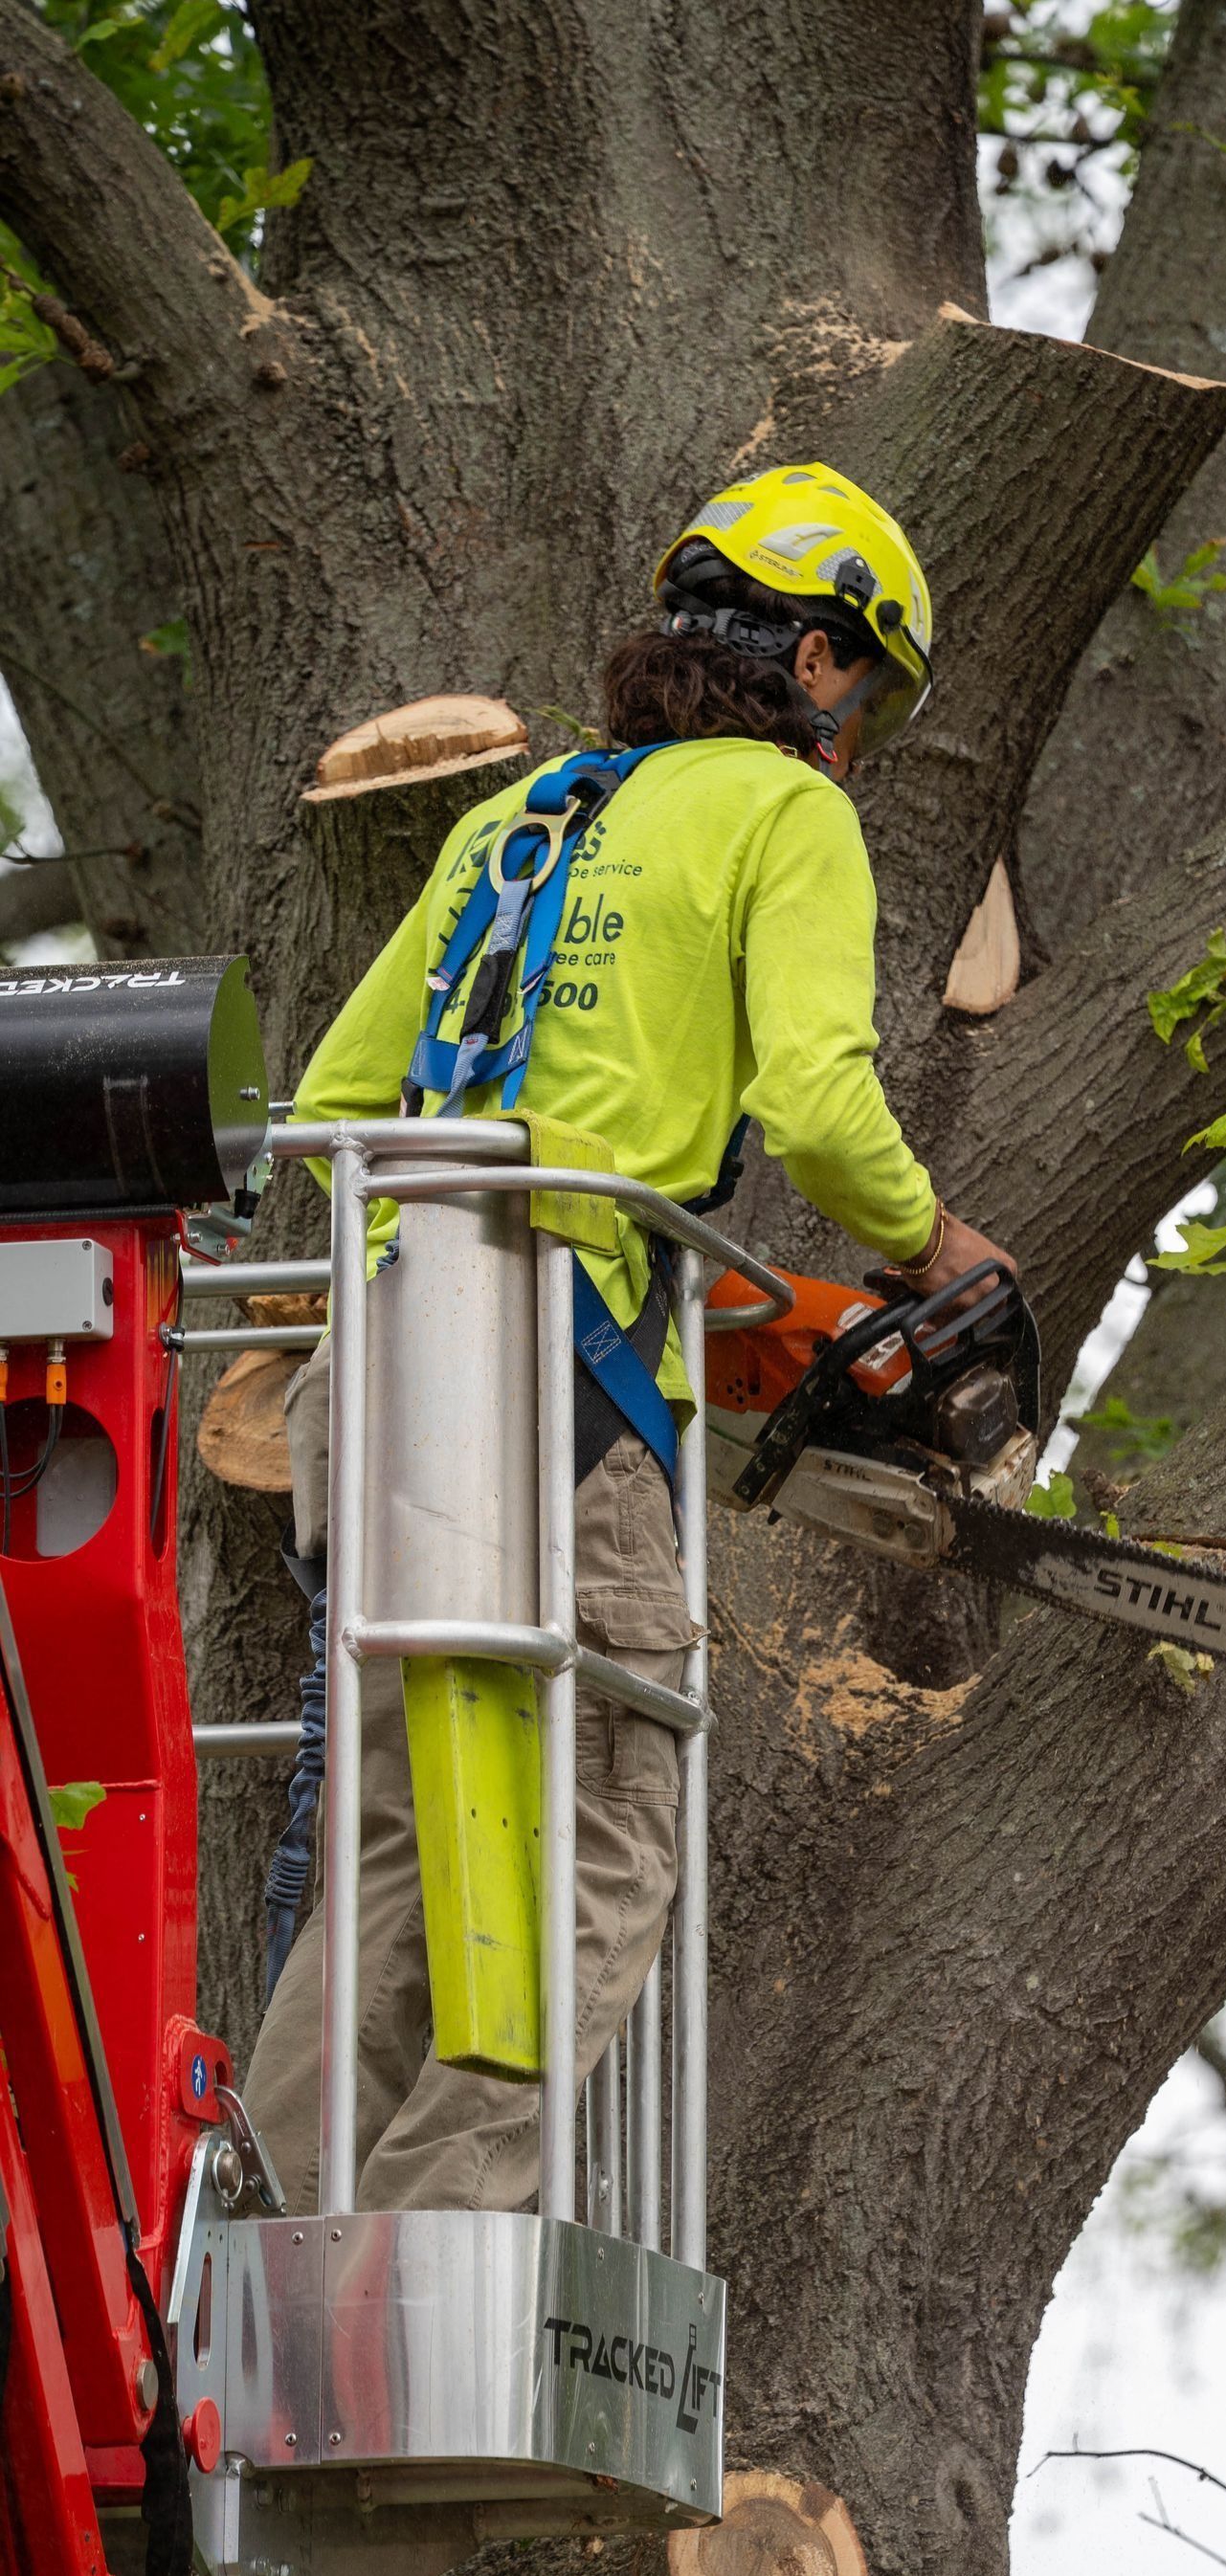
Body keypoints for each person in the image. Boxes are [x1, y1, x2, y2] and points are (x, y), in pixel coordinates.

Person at [242, 462, 1014, 2216]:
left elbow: (352, 1099)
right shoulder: (783, 813)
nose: (862, 726)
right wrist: (936, 1241)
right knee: (600, 1821)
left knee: (390, 1846)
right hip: (561, 1376)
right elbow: (818, 1106)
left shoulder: (521, 819)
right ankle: (431, 2261)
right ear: (818, 658)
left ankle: (270, 2245)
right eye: (867, 688)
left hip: (377, 1370)